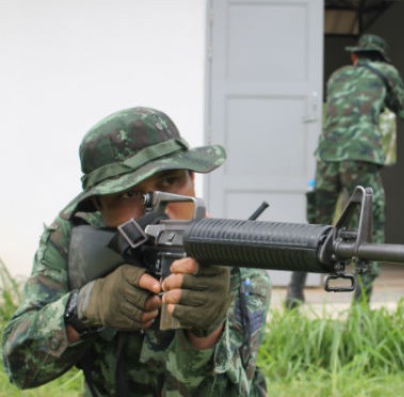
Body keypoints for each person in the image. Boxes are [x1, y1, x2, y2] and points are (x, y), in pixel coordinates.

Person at [2, 107, 271, 396]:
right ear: (99, 206)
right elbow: (19, 367)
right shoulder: (74, 239)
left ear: (193, 179)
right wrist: (85, 307)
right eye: (129, 194)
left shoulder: (230, 258)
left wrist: (205, 332)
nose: (157, 209)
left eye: (169, 182)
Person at [285, 34, 404, 308]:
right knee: (369, 222)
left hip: (327, 154)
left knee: (316, 225)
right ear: (380, 57)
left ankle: (294, 292)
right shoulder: (387, 72)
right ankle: (361, 303)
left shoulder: (337, 76)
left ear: (355, 57)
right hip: (360, 154)